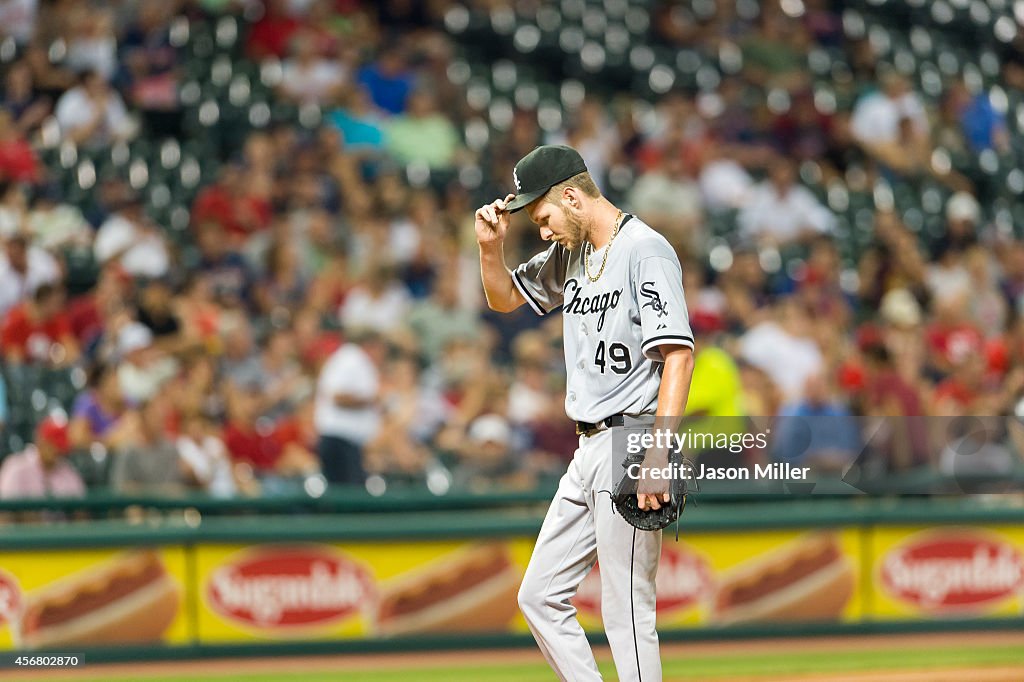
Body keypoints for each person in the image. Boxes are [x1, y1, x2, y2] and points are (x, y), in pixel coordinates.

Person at [476, 144, 695, 681]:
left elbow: (679, 355)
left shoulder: (645, 249)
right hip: (588, 446)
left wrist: (659, 453)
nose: (543, 229)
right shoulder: (573, 254)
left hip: (634, 437)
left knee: (626, 607)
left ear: (571, 196)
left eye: (543, 215)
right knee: (540, 596)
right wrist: (490, 251)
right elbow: (504, 298)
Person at [0, 416, 85, 500]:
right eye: (54, 446)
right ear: (41, 442)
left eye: (61, 448)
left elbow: (81, 506)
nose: (58, 452)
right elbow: (6, 510)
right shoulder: (16, 467)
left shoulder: (67, 470)